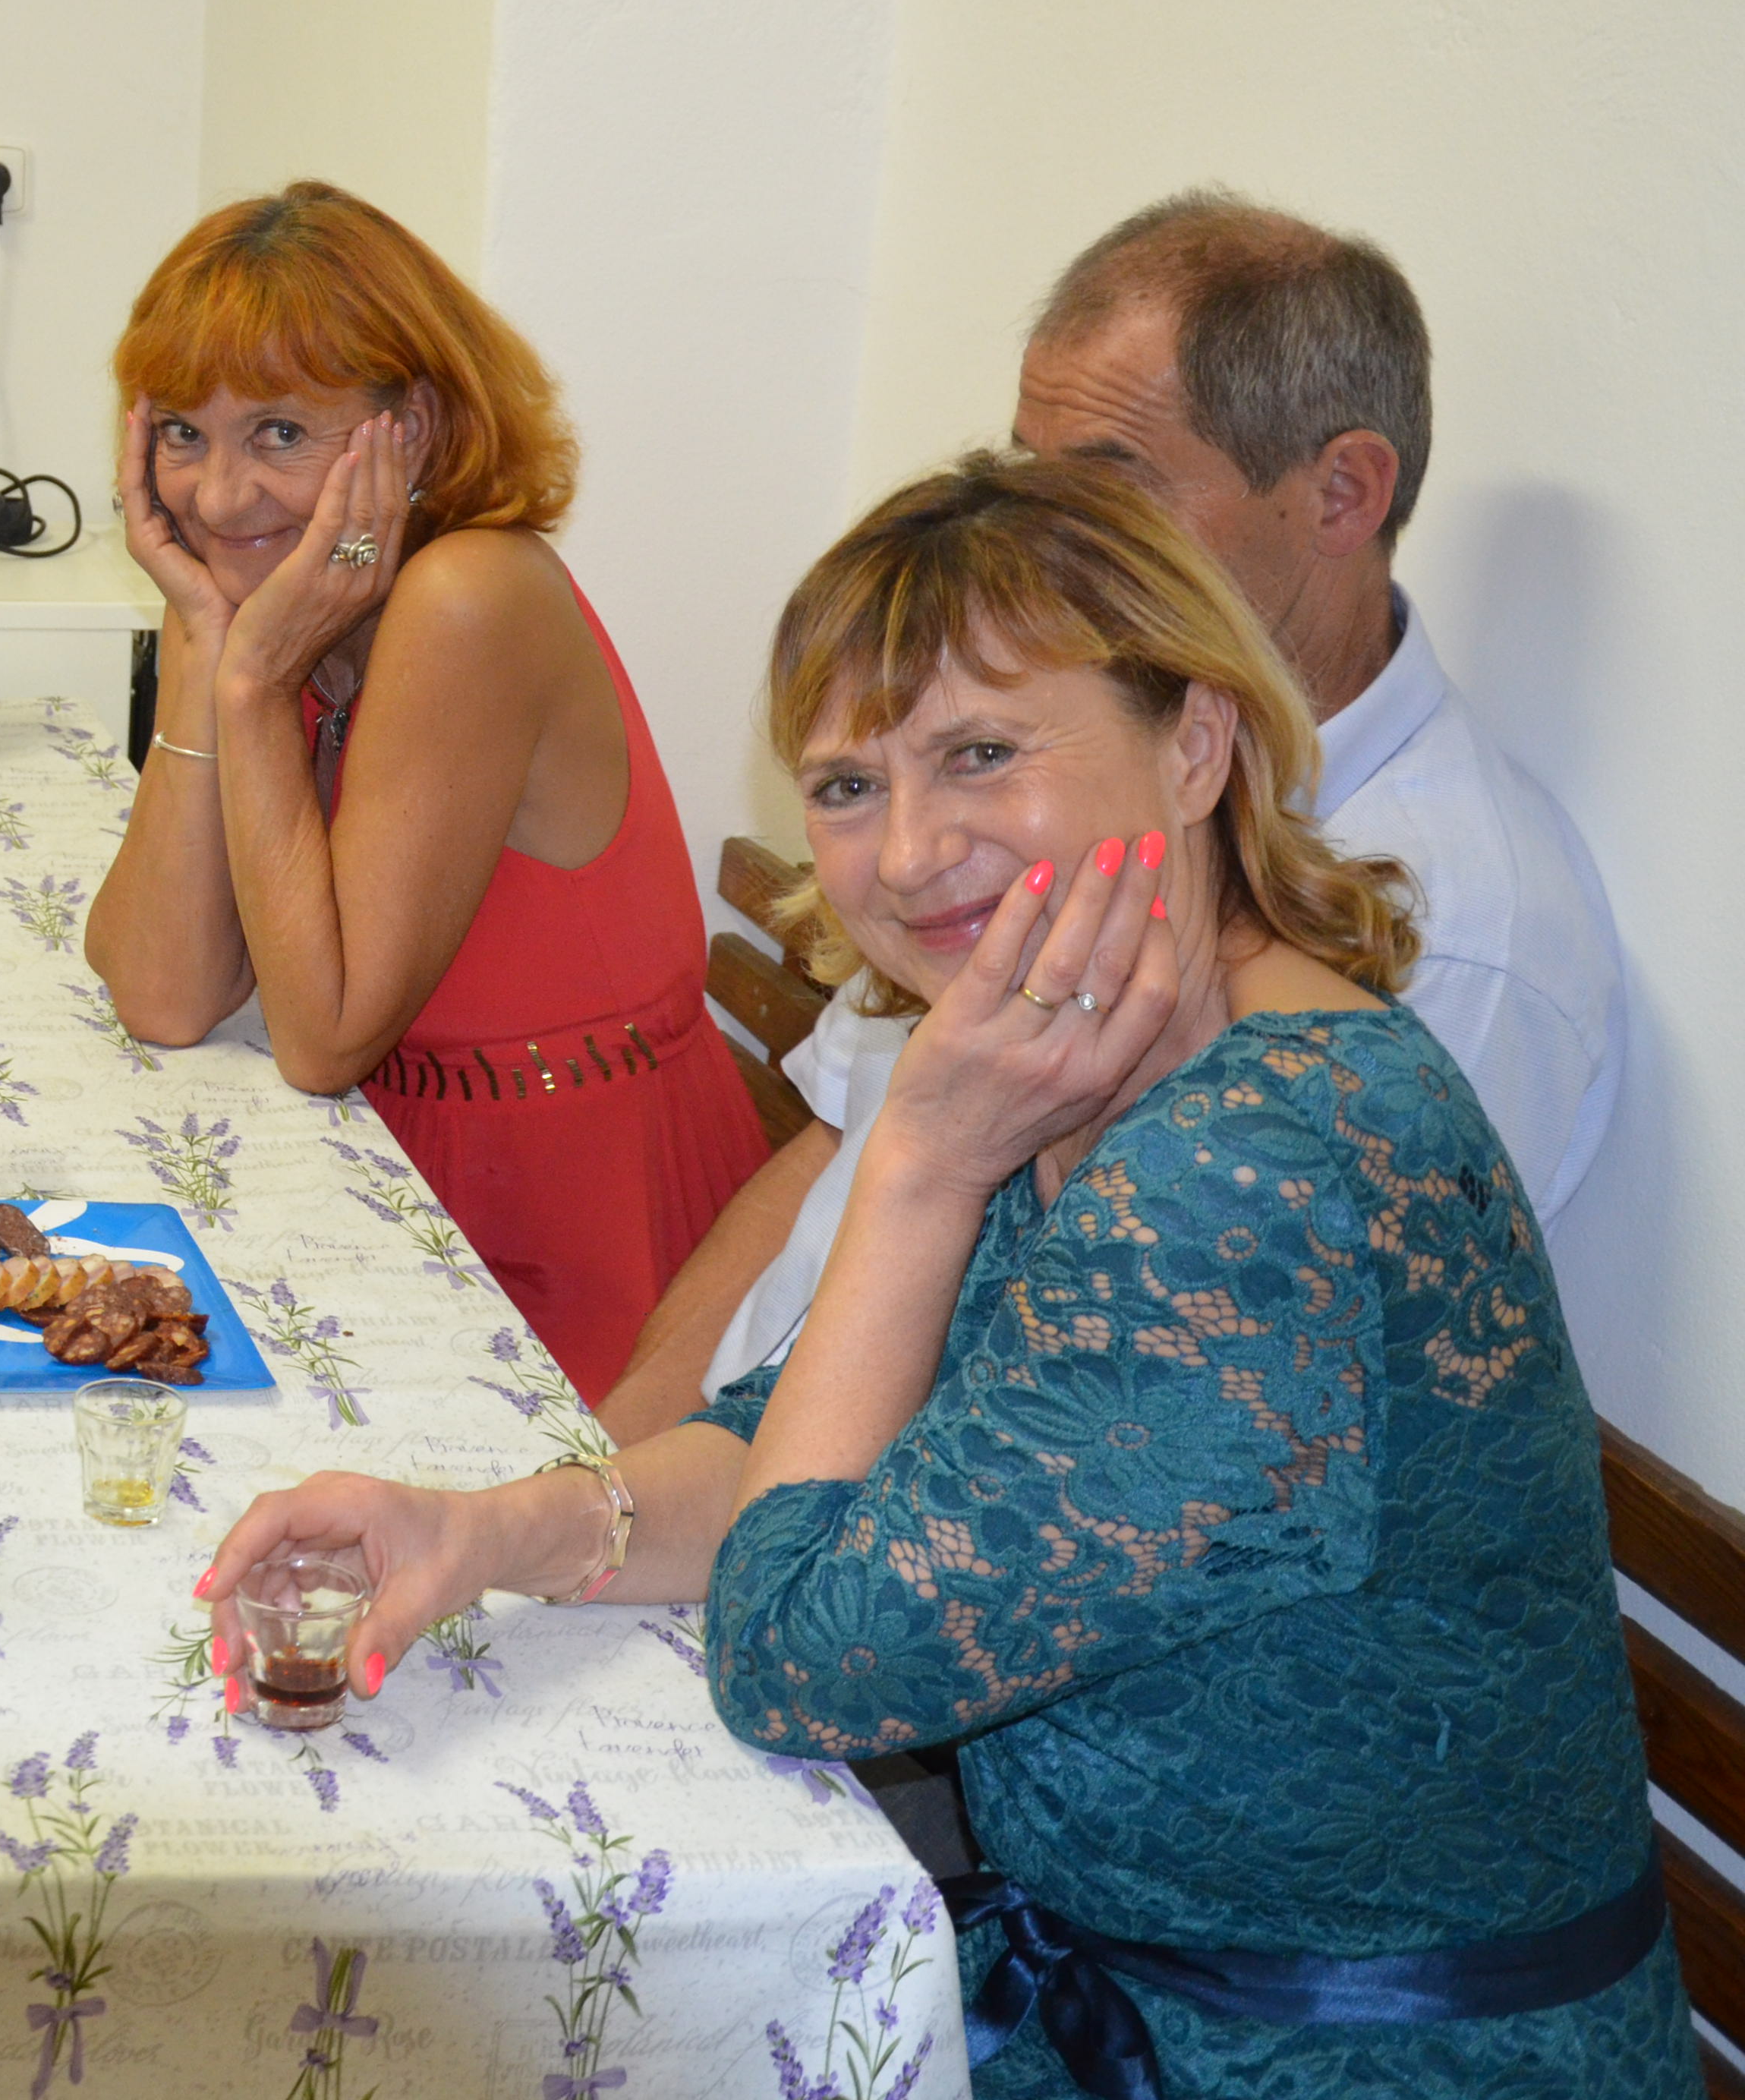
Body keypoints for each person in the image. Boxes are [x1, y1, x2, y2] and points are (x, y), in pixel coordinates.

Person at [200, 452, 1699, 2097]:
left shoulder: (1253, 1167)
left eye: (981, 752)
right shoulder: (1107, 1046)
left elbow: (799, 1653)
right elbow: (807, 1437)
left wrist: (916, 1157)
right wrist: (487, 1531)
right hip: (1136, 2001)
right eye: (848, 784)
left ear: (1195, 743)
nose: (909, 853)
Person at [597, 191, 1627, 1439]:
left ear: (1342, 493)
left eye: (1104, 488)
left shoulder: (1459, 942)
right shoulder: (1002, 796)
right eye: (1024, 474)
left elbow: (1156, 1431)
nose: (1034, 536)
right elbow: (830, 1146)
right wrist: (625, 1447)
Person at [80, 182, 767, 1391]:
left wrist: (251, 684)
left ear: (418, 429)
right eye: (183, 433)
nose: (218, 497)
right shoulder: (280, 601)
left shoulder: (468, 598)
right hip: (400, 1194)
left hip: (586, 1255)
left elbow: (325, 1038)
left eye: (279, 434)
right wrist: (204, 640)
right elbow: (165, 994)